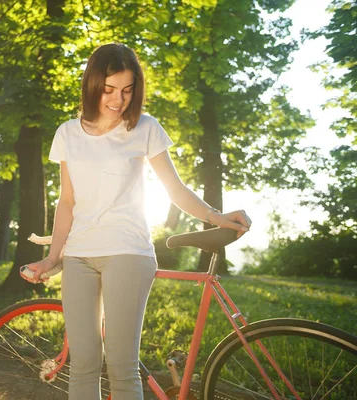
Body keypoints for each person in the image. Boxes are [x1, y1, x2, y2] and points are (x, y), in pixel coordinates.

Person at [20, 42, 252, 400]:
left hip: (128, 253)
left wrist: (216, 216)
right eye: (109, 89)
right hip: (79, 255)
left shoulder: (145, 128)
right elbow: (67, 201)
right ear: (92, 85)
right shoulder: (67, 133)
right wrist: (53, 257)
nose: (118, 100)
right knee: (82, 365)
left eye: (127, 90)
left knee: (121, 367)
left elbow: (175, 189)